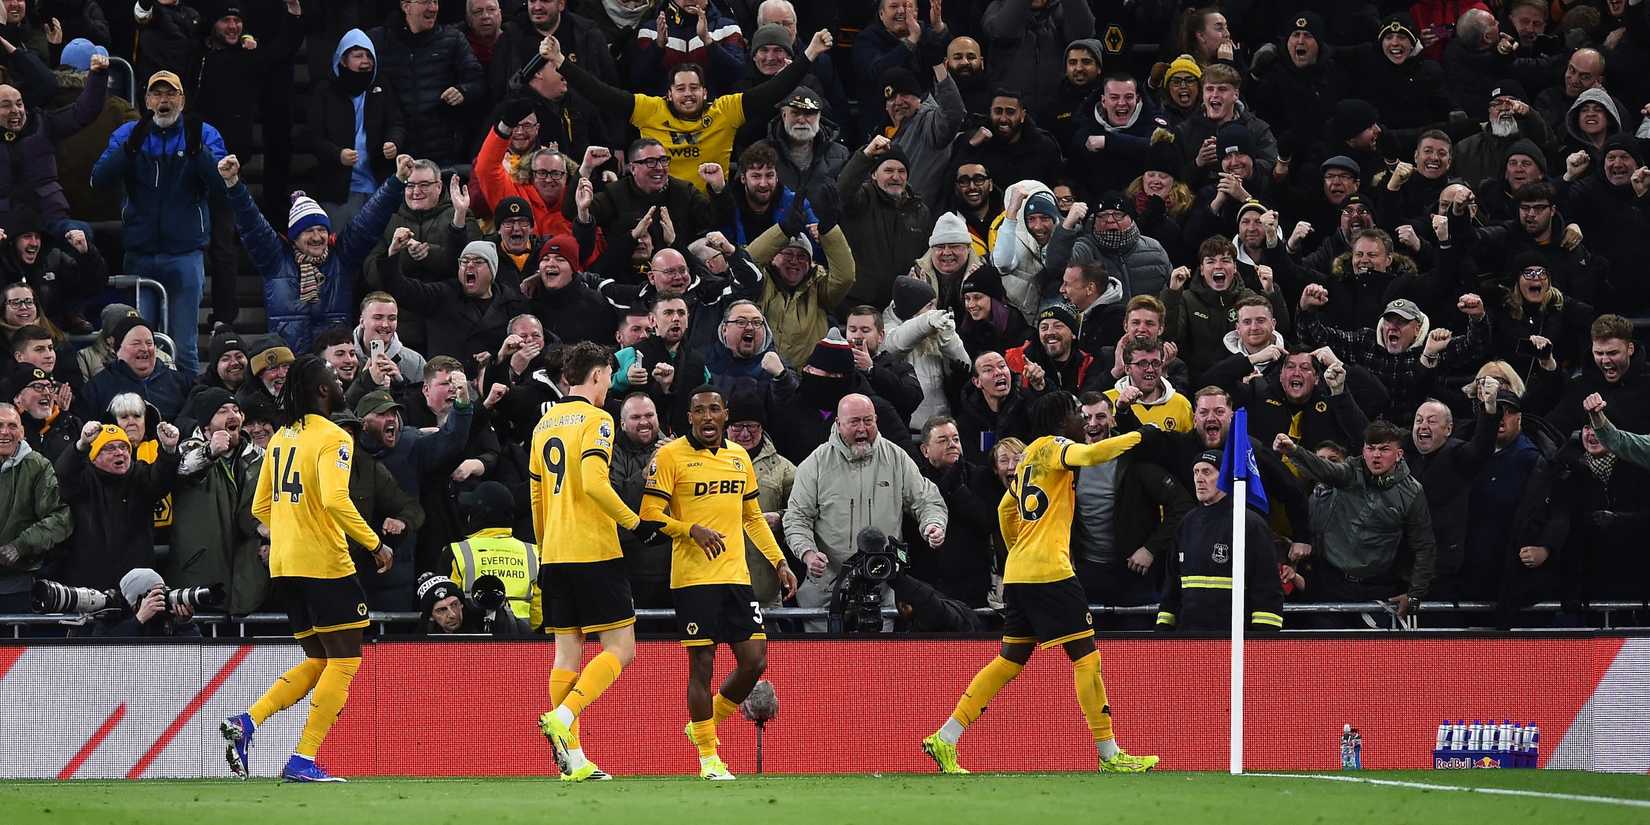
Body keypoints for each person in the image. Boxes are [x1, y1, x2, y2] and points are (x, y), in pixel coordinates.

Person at [923, 391, 1158, 774]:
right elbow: (1091, 455)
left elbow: (1005, 508)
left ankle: (945, 737)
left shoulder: (1029, 454)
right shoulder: (1054, 447)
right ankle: (1110, 754)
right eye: (1078, 416)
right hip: (1051, 572)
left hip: (1019, 573)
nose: (1084, 423)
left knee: (1009, 660)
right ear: (1062, 420)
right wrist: (1140, 435)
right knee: (1087, 658)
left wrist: (1017, 547)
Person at [221, 355, 388, 783]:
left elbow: (260, 507)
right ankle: (303, 758)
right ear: (321, 390)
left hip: (284, 565)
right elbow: (335, 500)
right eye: (332, 378)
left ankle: (248, 721)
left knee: (318, 659)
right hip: (325, 564)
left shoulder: (280, 439)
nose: (337, 382)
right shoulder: (334, 438)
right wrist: (375, 544)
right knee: (346, 662)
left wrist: (290, 532)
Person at [641, 385, 796, 780]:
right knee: (703, 664)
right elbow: (649, 514)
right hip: (693, 579)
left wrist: (779, 561)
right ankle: (709, 758)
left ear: (725, 414)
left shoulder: (738, 456)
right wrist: (689, 528)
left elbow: (752, 517)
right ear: (689, 418)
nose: (707, 417)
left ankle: (703, 725)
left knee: (755, 661)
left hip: (736, 577)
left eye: (714, 410)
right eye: (699, 411)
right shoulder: (670, 457)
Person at [532, 342, 664, 782]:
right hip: (593, 549)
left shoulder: (544, 423)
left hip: (554, 552)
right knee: (620, 649)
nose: (611, 384)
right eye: (610, 376)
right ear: (597, 375)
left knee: (567, 654)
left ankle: (574, 760)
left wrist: (545, 544)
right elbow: (592, 481)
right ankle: (565, 714)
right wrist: (635, 522)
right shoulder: (598, 420)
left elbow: (535, 496)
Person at [544, 27, 834, 193]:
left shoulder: (725, 110)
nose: (687, 94)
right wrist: (560, 61)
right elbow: (601, 94)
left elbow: (774, 90)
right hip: (658, 202)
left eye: (694, 88)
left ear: (705, 92)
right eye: (680, 89)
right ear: (668, 93)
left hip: (709, 207)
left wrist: (809, 54)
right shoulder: (649, 109)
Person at [89, 69, 229, 375]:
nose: (163, 101)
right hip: (140, 254)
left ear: (182, 100)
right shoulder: (129, 134)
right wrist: (130, 149)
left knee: (185, 346)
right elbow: (98, 179)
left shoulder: (203, 133)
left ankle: (188, 413)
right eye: (156, 94)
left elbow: (224, 187)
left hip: (185, 254)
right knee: (139, 345)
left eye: (170, 94)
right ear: (146, 100)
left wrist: (199, 153)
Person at [784, 394, 947, 632]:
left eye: (868, 421)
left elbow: (927, 500)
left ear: (877, 420)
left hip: (882, 584)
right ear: (838, 423)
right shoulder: (815, 463)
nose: (862, 429)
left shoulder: (896, 458)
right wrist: (807, 553)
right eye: (854, 422)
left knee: (876, 664)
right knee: (824, 666)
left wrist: (933, 524)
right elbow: (796, 517)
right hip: (827, 587)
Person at [1274, 421, 1436, 625]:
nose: (1376, 455)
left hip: (1379, 586)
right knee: (1326, 652)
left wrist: (1414, 595)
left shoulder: (1412, 492)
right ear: (1364, 450)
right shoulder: (1350, 471)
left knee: (1376, 656)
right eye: (1371, 448)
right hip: (1331, 583)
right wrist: (1294, 451)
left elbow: (1424, 546)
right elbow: (1324, 469)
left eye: (1384, 449)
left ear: (1399, 454)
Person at [1156, 450, 1283, 632]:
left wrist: (1262, 639)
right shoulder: (1186, 523)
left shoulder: (1250, 524)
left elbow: (1267, 588)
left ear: (1224, 476)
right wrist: (1163, 627)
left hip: (1235, 641)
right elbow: (1172, 584)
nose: (1199, 479)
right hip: (1189, 637)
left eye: (1207, 472)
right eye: (1196, 472)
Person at [305, 30, 404, 228]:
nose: (365, 61)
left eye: (369, 56)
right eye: (358, 56)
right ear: (342, 60)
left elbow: (397, 124)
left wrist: (394, 142)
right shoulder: (325, 91)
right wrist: (337, 154)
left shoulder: (381, 86)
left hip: (378, 188)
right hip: (338, 192)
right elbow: (312, 137)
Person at [0, 402, 72, 614]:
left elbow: (60, 517)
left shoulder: (38, 466)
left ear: (22, 432)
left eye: (12, 426)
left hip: (18, 583)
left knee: (13, 647)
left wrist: (20, 546)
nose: (5, 432)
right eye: (0, 425)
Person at [447, 480, 541, 631]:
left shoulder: (457, 551)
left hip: (471, 644)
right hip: (522, 643)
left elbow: (446, 604)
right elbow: (538, 613)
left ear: (476, 514)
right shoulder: (534, 552)